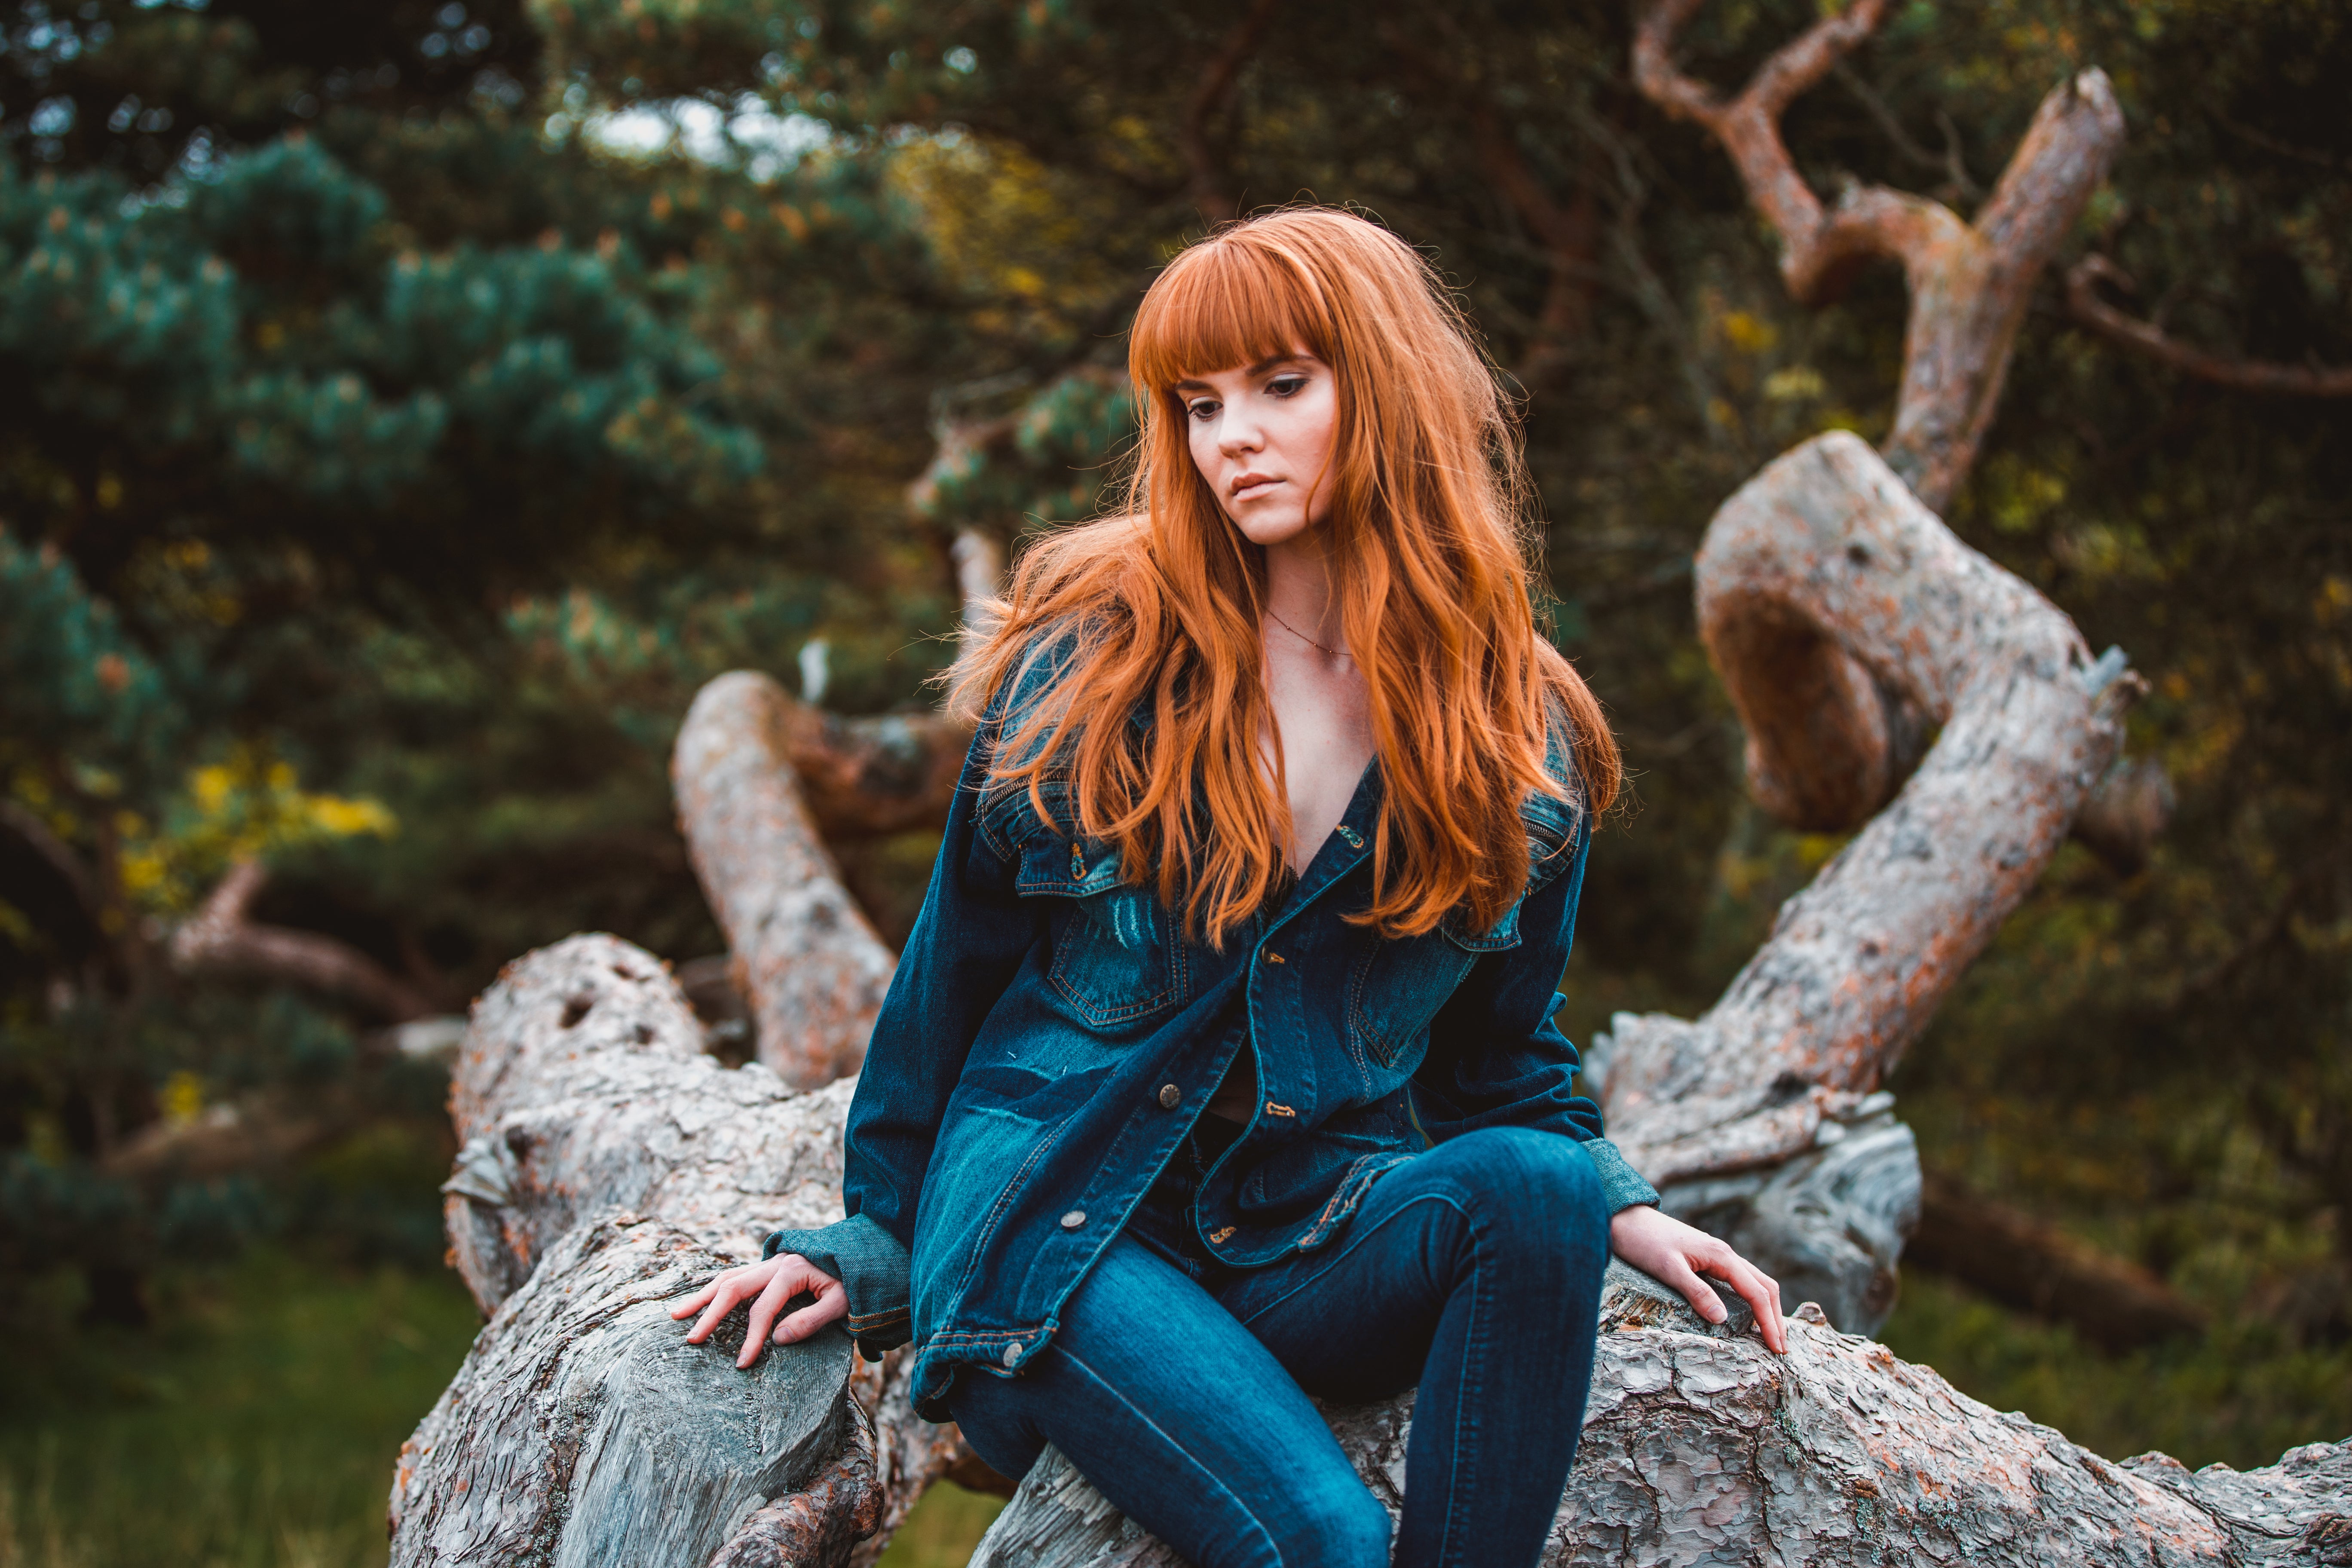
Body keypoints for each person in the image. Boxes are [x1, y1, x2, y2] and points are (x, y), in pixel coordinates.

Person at [672, 206, 1785, 1568]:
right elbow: (945, 982)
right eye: (1198, 405)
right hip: (1060, 1238)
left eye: (1279, 386)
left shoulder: (1519, 733)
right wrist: (865, 1245)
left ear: (1385, 388)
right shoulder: (1097, 669)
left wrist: (1621, 1203)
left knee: (1539, 1186)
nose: (1231, 437)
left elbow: (1505, 1060)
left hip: (1302, 1233)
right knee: (1319, 1542)